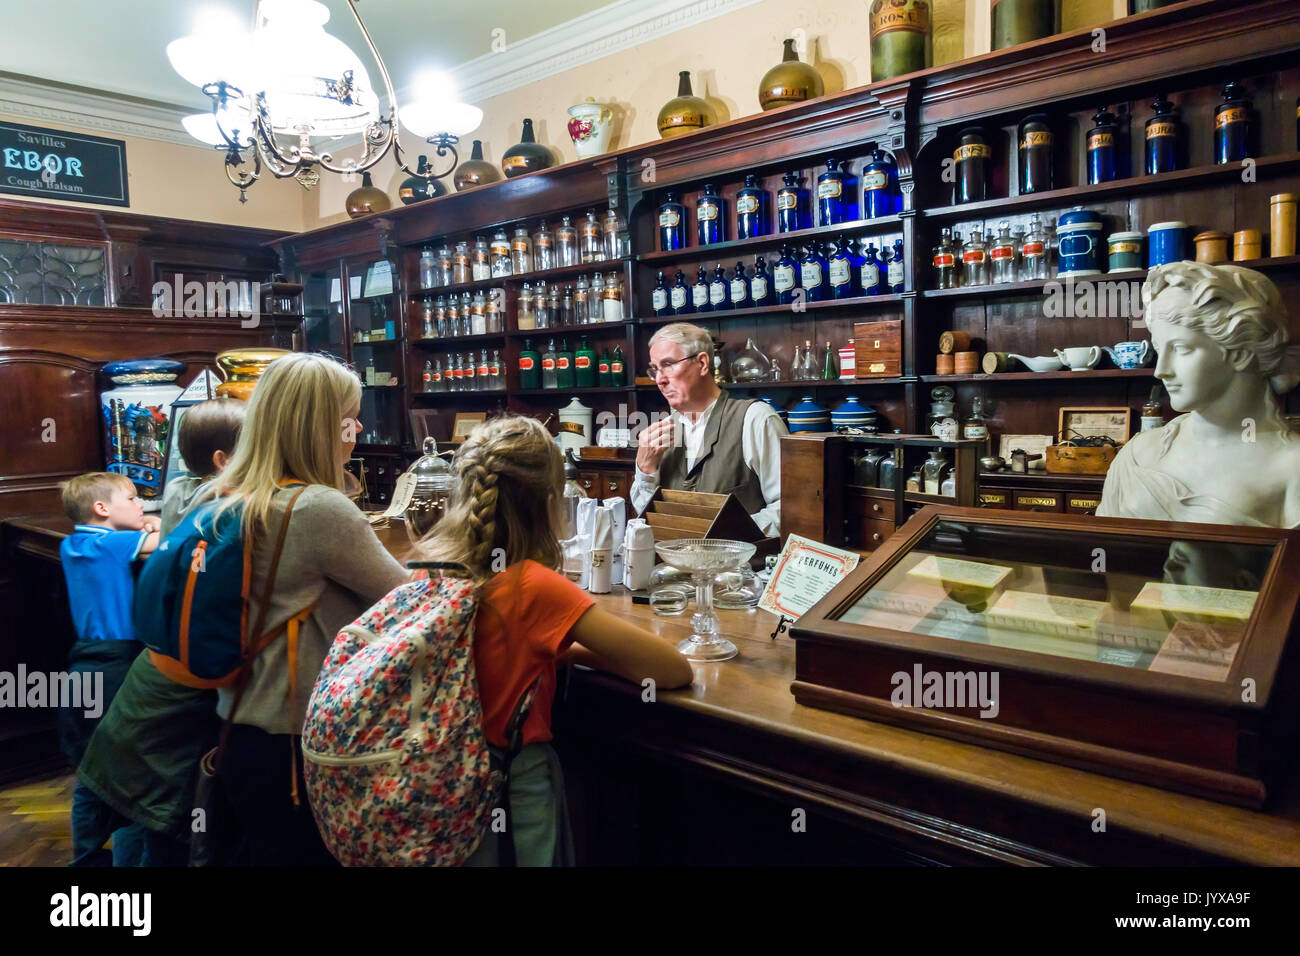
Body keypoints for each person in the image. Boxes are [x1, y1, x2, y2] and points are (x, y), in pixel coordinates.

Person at [415, 415, 694, 866]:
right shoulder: (532, 585)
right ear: (548, 501)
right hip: (509, 787)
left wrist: (556, 651)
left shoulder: (429, 562)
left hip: (440, 784)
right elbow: (673, 670)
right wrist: (576, 652)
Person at [206, 353, 408, 866]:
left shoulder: (225, 495)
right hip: (296, 740)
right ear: (319, 424)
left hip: (238, 721)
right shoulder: (317, 507)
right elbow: (406, 603)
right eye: (350, 416)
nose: (358, 427)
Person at [75, 396, 247, 866]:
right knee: (154, 803)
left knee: (129, 795)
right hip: (166, 673)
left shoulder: (176, 491)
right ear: (224, 461)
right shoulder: (222, 506)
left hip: (139, 668)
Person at [1099, 262, 1300, 527]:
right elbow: (1102, 553)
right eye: (1160, 350)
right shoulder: (1137, 454)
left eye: (1182, 349)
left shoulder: (1291, 468)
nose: (1161, 370)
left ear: (1240, 353)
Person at [57, 472, 160, 866]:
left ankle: (83, 856)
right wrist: (153, 523)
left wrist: (140, 521)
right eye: (133, 499)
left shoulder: (73, 545)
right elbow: (173, 537)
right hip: (117, 668)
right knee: (132, 779)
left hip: (83, 663)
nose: (142, 506)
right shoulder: (114, 545)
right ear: (102, 509)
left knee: (90, 774)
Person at [632, 322, 787, 535]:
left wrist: (723, 535)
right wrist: (645, 469)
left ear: (703, 363)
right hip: (672, 566)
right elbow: (648, 520)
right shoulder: (662, 432)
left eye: (668, 364)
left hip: (741, 567)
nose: (660, 379)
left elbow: (788, 509)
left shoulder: (755, 419)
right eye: (655, 369)